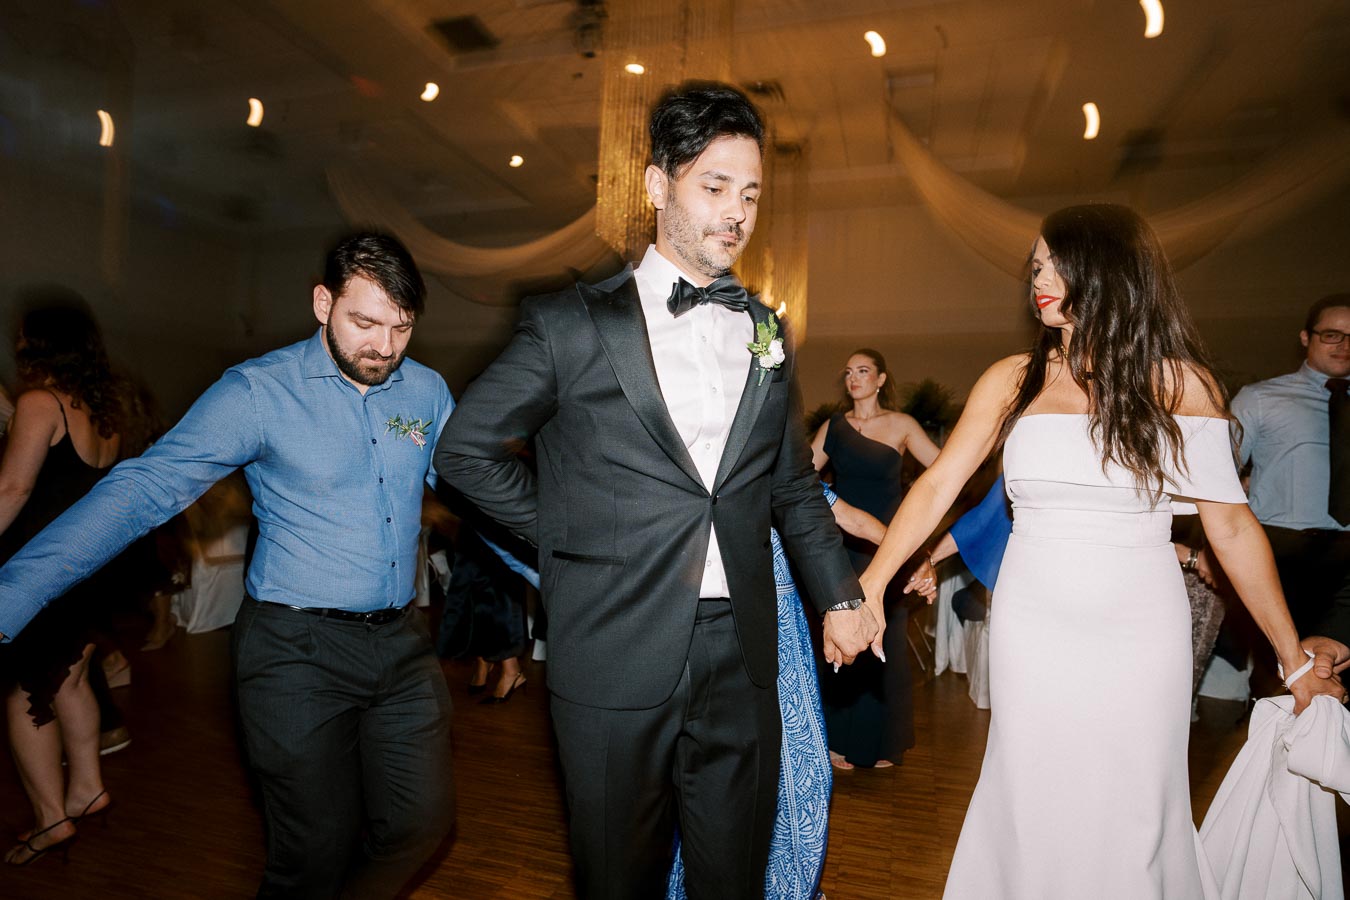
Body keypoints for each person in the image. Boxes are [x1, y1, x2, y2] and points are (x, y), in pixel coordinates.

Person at [435, 81, 876, 899]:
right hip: (612, 648)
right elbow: (464, 451)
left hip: (742, 655)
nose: (736, 213)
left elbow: (788, 486)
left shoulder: (764, 330)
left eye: (749, 194)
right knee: (618, 881)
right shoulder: (569, 324)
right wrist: (571, 539)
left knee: (731, 881)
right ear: (655, 185)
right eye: (714, 187)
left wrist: (842, 596)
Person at [855, 203, 1346, 899]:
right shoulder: (1013, 379)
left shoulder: (1183, 385)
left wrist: (1292, 659)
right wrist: (872, 584)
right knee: (1032, 790)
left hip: (1140, 624)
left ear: (1108, 269)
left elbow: (1231, 528)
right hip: (1034, 620)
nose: (1040, 278)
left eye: (1055, 263)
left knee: (1135, 799)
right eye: (1035, 267)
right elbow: (937, 485)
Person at [0, 233, 456, 898]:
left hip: (402, 646)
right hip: (297, 649)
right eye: (364, 322)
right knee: (312, 853)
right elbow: (145, 489)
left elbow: (475, 492)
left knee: (424, 822)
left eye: (401, 327)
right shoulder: (258, 392)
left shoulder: (425, 392)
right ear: (323, 302)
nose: (383, 348)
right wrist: (12, 593)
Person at [0, 298, 124, 865]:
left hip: (41, 571)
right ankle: (86, 788)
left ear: (36, 345)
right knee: (72, 683)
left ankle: (51, 820)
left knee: (24, 694)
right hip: (92, 570)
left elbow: (14, 491)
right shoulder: (101, 410)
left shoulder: (39, 402)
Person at [810, 349, 939, 769]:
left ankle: (881, 743)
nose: (854, 378)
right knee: (843, 633)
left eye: (863, 371)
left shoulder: (901, 425)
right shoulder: (834, 427)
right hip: (845, 544)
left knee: (888, 642)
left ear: (881, 379)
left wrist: (920, 536)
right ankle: (835, 740)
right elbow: (800, 475)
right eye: (848, 372)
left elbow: (945, 472)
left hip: (890, 543)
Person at [1225, 295, 1350, 658]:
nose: (1344, 345)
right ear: (1305, 338)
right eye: (1331, 335)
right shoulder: (1260, 398)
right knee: (1281, 674)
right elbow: (1219, 476)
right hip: (1285, 555)